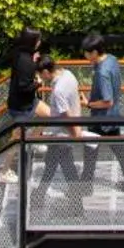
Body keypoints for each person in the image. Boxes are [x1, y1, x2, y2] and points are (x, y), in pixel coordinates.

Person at [80, 32, 124, 191]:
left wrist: (88, 104)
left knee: (91, 150)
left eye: (87, 52)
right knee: (118, 149)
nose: (85, 55)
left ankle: (85, 186)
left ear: (95, 53)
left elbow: (107, 101)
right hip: (113, 115)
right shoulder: (111, 59)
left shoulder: (101, 73)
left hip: (101, 118)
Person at [36, 54, 87, 191]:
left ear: (46, 72)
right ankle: (39, 195)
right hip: (65, 133)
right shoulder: (69, 74)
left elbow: (66, 116)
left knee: (67, 169)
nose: (41, 79)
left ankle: (76, 204)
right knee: (52, 164)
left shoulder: (58, 90)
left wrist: (75, 134)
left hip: (62, 134)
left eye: (41, 75)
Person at [0, 26, 42, 184]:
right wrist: (38, 83)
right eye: (38, 40)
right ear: (33, 42)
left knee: (49, 115)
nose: (40, 42)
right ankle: (4, 171)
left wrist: (34, 59)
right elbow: (24, 86)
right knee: (16, 139)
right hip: (21, 107)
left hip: (27, 102)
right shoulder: (26, 62)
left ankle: (34, 141)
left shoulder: (20, 53)